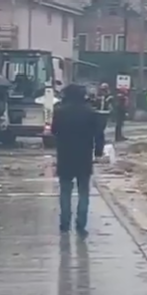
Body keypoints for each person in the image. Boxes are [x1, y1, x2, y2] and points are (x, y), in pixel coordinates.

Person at [51, 84, 104, 236]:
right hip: (84, 156)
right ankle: (81, 224)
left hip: (65, 155)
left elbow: (54, 131)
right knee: (83, 191)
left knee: (65, 191)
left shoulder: (60, 112)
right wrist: (98, 152)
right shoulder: (90, 112)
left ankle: (65, 224)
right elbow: (98, 134)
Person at [92, 82, 113, 147]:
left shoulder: (109, 97)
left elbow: (110, 105)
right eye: (102, 89)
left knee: (101, 128)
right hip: (98, 113)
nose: (103, 91)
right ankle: (98, 140)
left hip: (104, 114)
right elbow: (94, 104)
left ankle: (99, 140)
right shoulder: (97, 96)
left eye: (104, 89)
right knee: (99, 128)